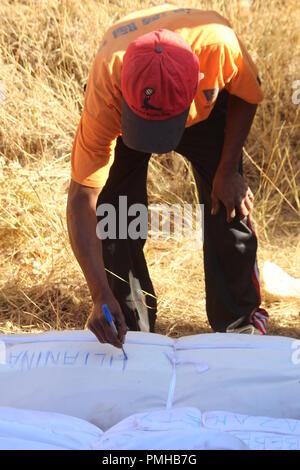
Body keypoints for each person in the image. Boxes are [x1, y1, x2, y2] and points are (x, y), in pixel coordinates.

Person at [67, 4, 269, 348]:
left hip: (204, 111)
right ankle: (129, 326)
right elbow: (81, 196)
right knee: (115, 215)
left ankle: (239, 326)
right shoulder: (108, 85)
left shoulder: (219, 46)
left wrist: (227, 169)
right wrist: (98, 294)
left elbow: (247, 95)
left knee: (229, 203)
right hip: (125, 101)